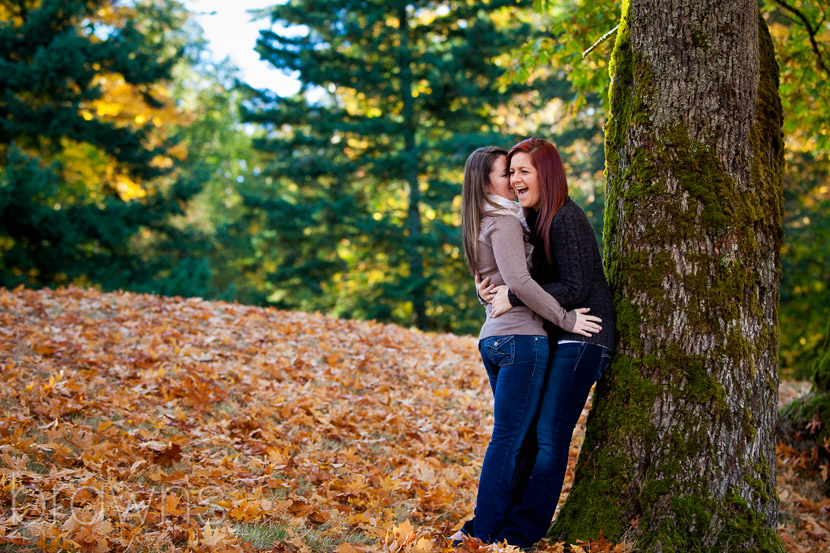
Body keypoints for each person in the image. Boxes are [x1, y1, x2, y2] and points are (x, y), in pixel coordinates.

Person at [457, 145, 602, 544]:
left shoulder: (536, 219)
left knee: (532, 438)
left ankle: (501, 531)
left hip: (539, 337)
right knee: (516, 440)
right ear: (487, 182)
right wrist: (560, 316)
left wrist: (505, 294)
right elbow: (514, 280)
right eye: (508, 172)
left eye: (521, 171)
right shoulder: (508, 221)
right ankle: (490, 532)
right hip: (527, 338)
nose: (514, 180)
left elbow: (512, 281)